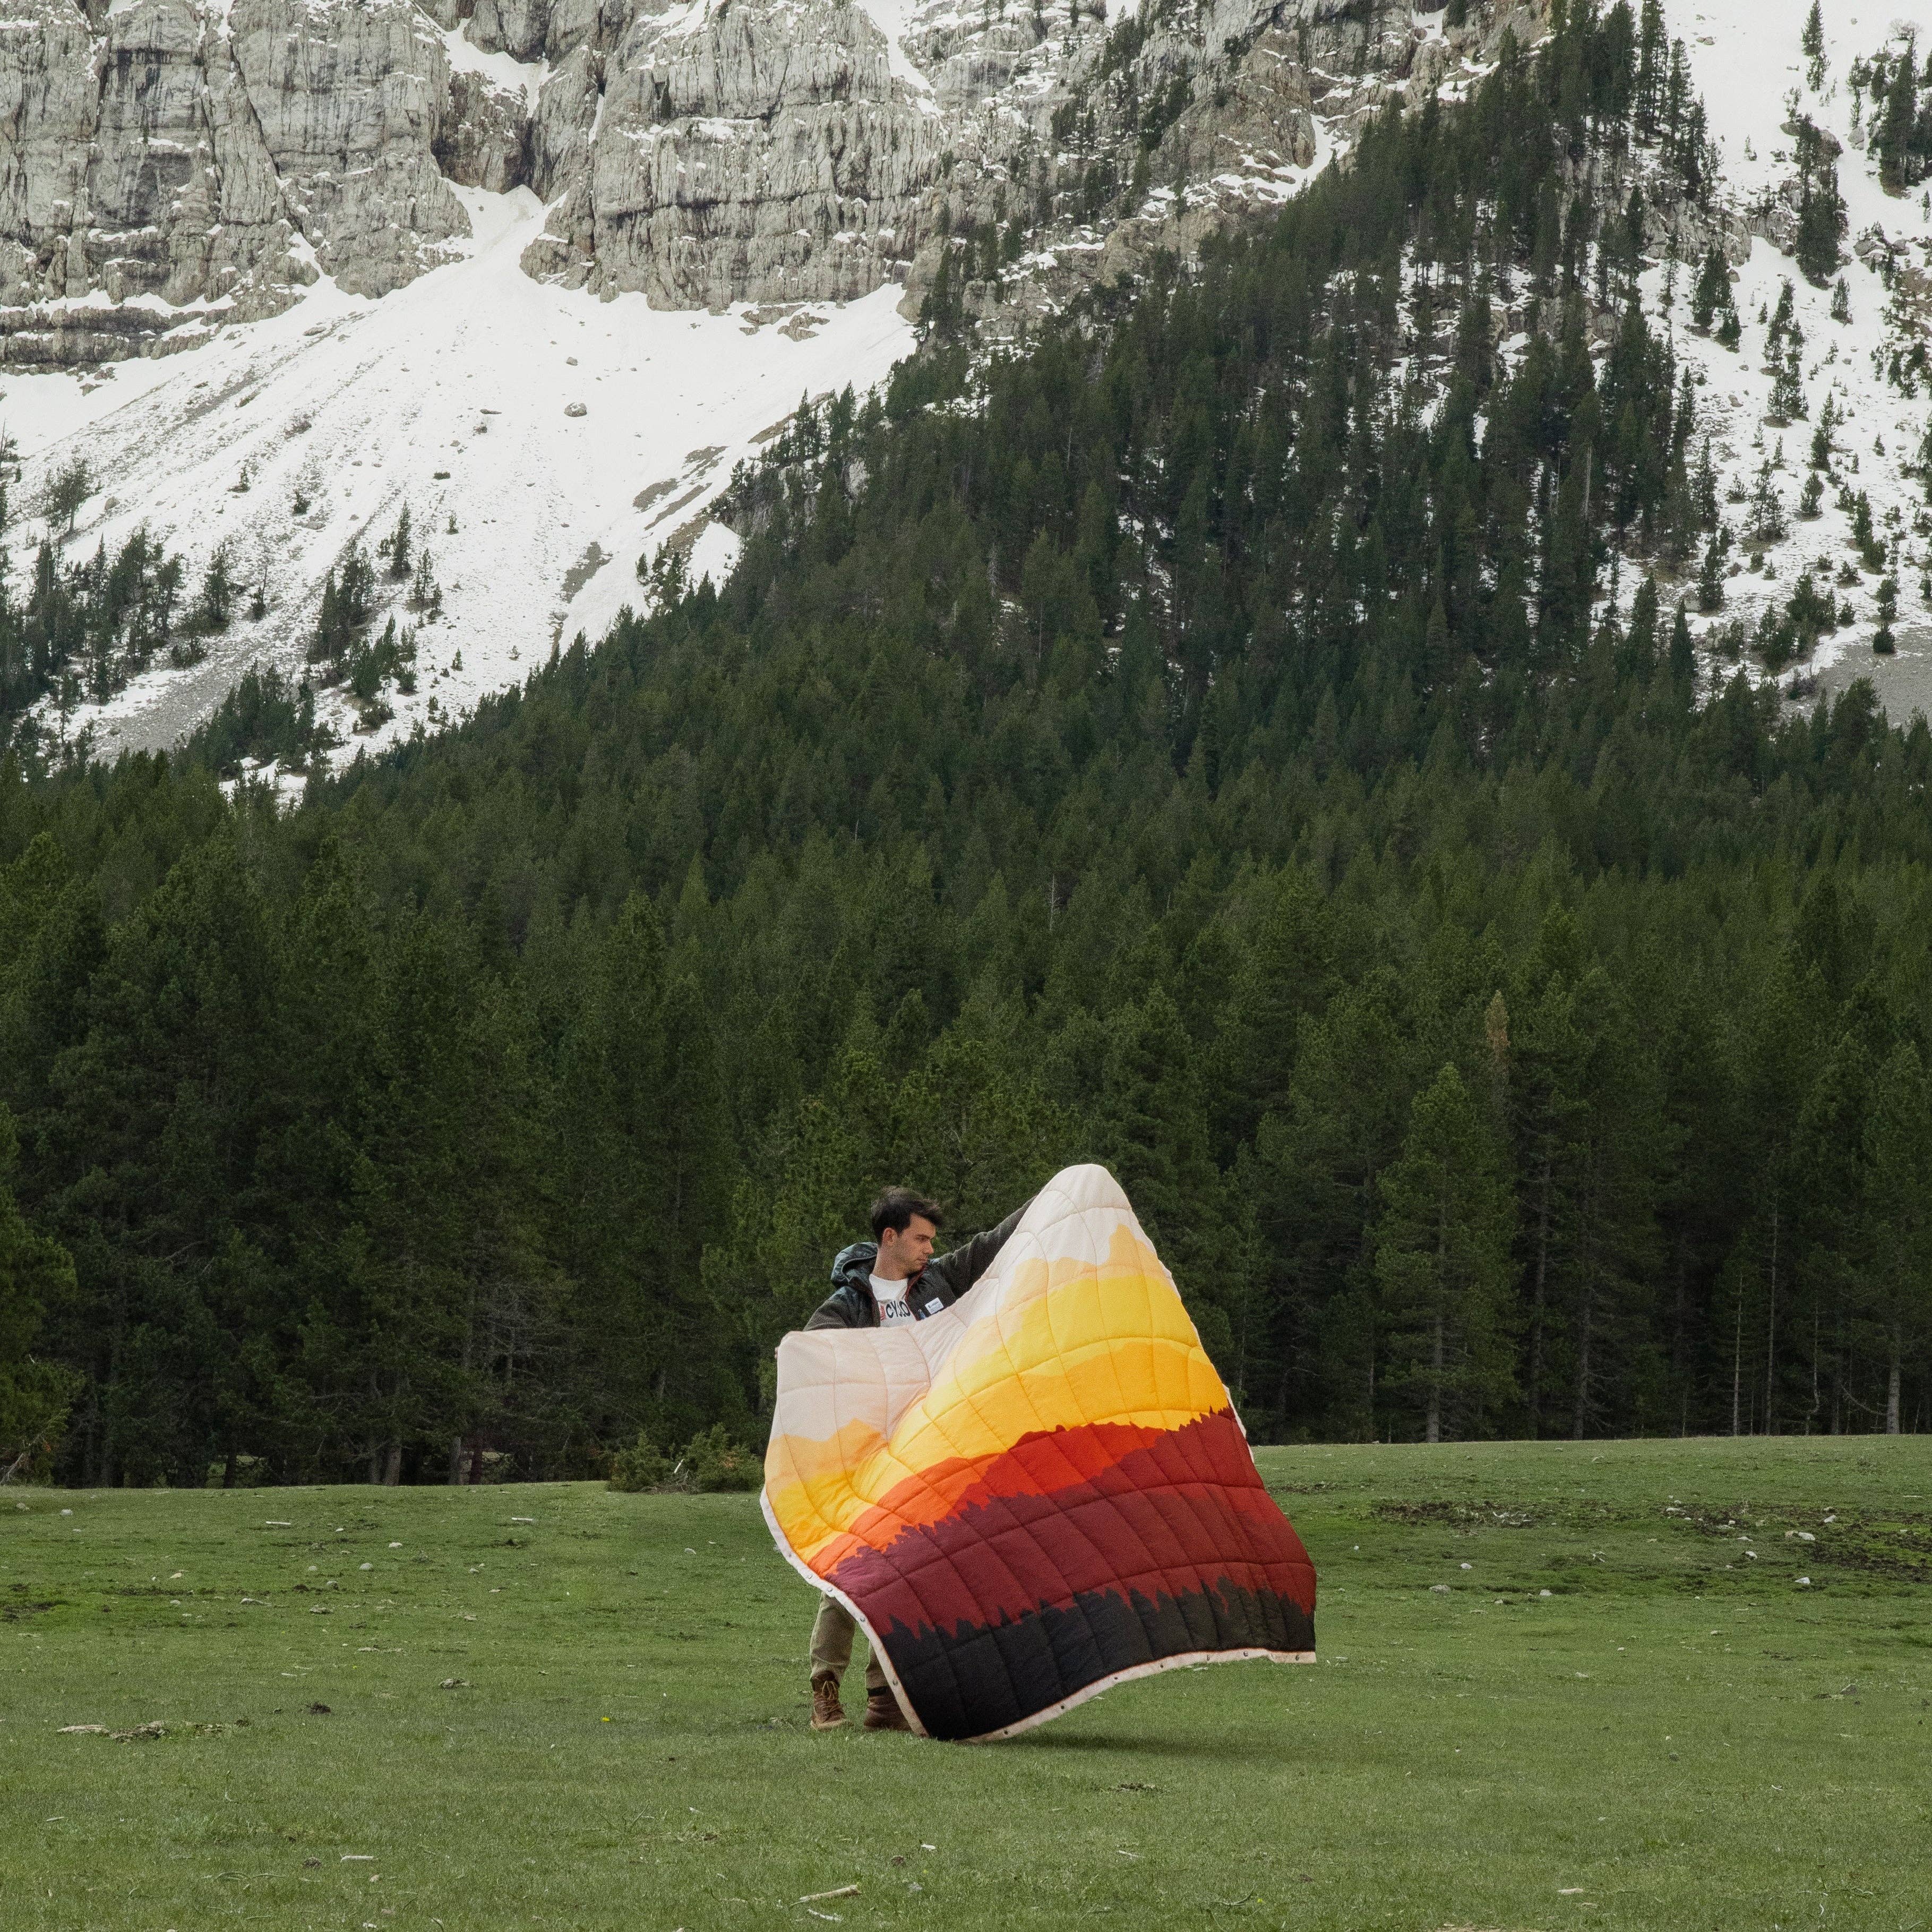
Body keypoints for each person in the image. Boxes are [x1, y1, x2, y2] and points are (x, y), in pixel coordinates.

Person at [803, 1185, 1030, 1732]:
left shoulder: (940, 1282)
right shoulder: (848, 1305)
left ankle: (884, 1700)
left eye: (933, 1239)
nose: (930, 1248)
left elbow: (993, 1243)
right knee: (850, 1575)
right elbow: (809, 1359)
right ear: (890, 1237)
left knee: (908, 1575)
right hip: (867, 1459)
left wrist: (1056, 1192)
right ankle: (825, 1691)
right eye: (921, 1238)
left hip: (929, 1454)